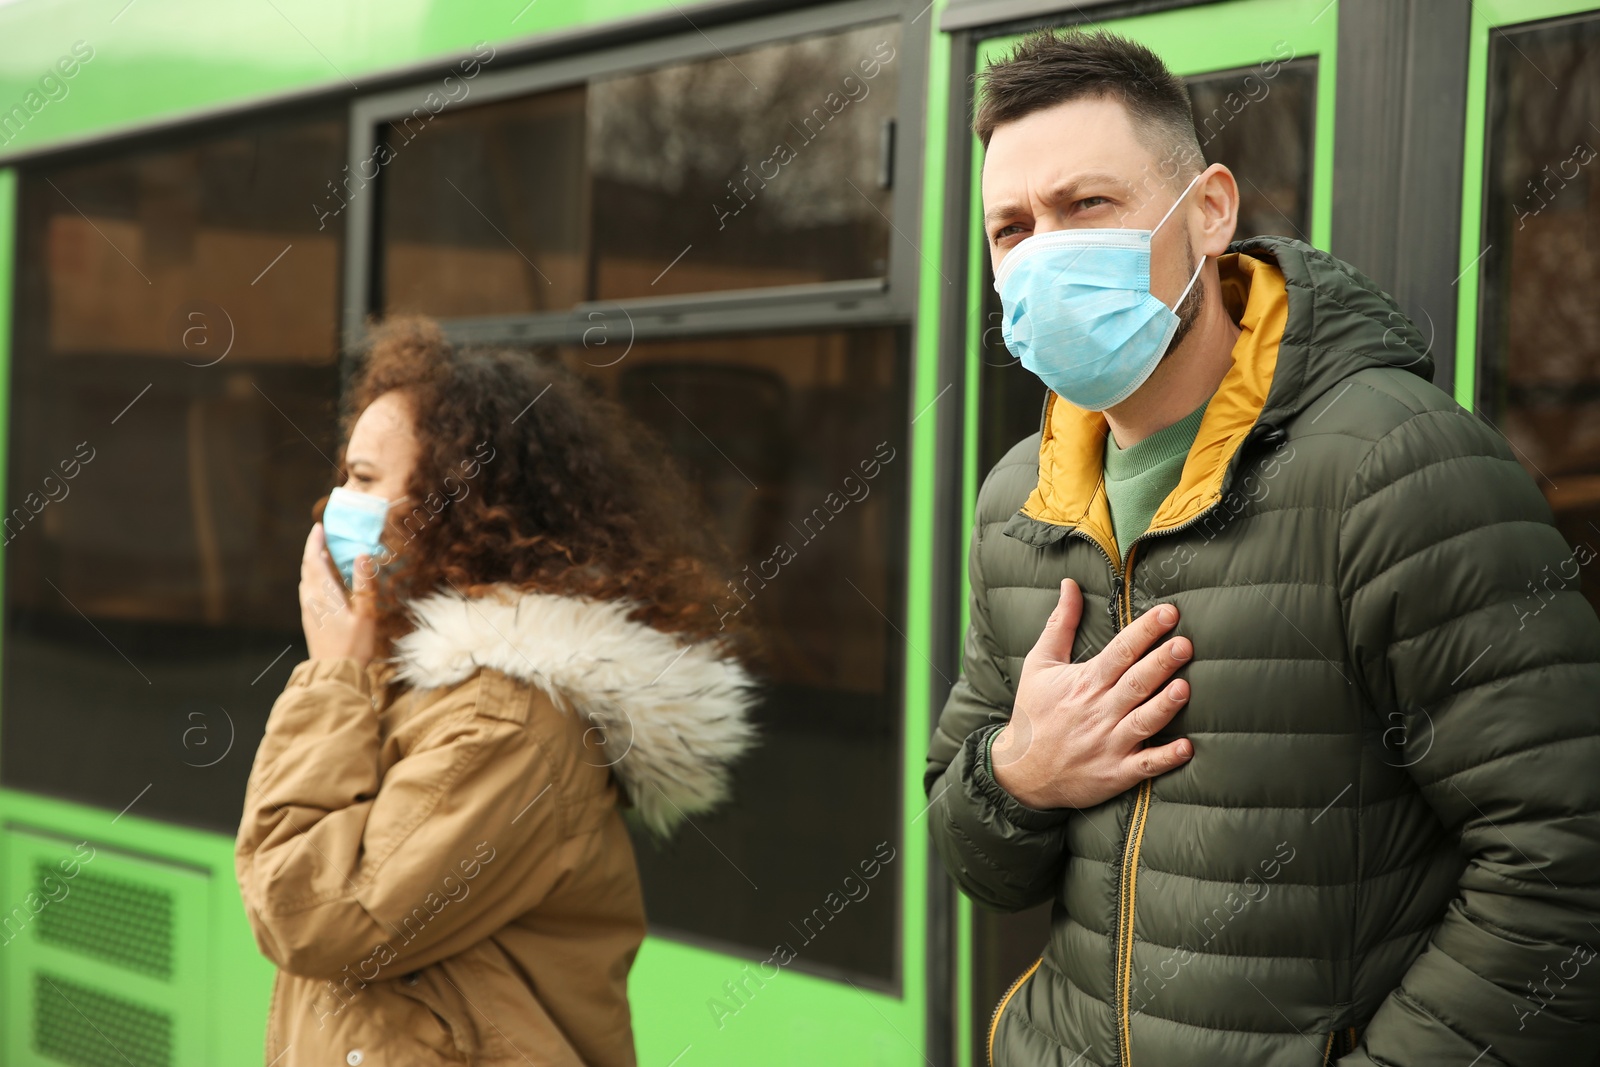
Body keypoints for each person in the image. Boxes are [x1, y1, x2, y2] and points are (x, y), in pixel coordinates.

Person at [925, 28, 1600, 1067]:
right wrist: (1017, 775)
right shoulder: (1020, 495)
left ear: (1208, 213)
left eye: (1085, 206)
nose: (1043, 251)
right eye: (1011, 227)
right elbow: (979, 862)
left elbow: (1563, 860)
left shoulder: (1397, 464)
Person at [234, 317, 758, 1066]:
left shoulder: (502, 721)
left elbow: (310, 913)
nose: (337, 502)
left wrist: (331, 679)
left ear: (457, 503)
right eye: (347, 473)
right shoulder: (415, 683)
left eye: (364, 478)